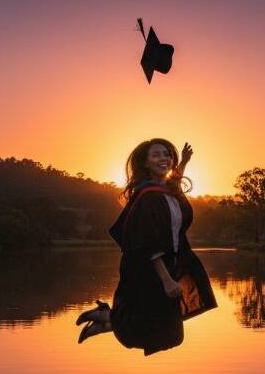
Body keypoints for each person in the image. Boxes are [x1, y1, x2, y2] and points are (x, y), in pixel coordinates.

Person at [76, 139, 217, 355]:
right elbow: (147, 240)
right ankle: (109, 319)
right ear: (146, 163)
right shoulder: (148, 196)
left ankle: (107, 318)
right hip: (148, 268)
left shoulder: (166, 191)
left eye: (167, 154)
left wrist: (184, 163)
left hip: (168, 265)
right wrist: (166, 279)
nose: (164, 158)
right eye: (156, 155)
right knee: (159, 331)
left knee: (169, 332)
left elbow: (172, 186)